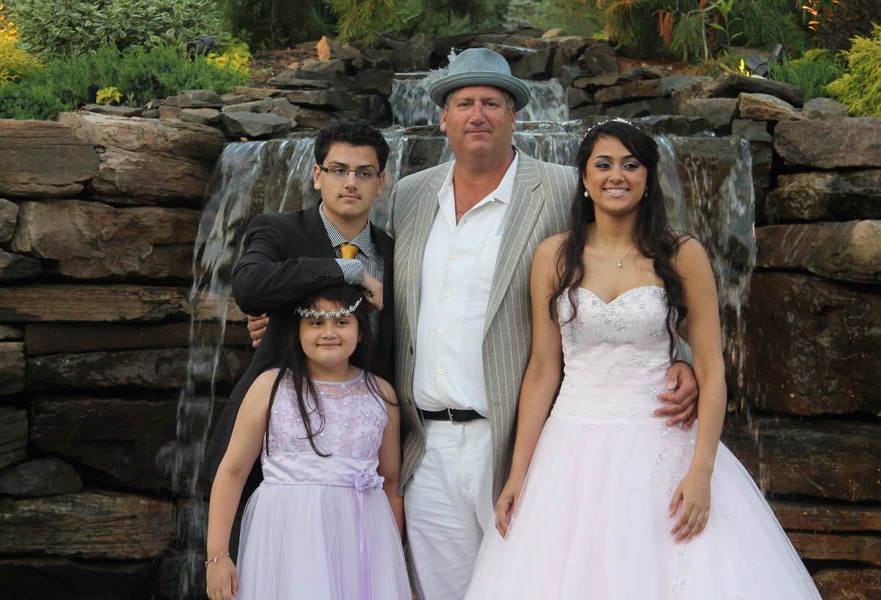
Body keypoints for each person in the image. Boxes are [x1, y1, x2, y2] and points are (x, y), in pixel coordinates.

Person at [464, 119, 822, 599]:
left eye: (632, 165)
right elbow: (543, 369)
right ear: (585, 179)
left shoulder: (682, 254)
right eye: (604, 164)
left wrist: (701, 473)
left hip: (661, 444)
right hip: (570, 446)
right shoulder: (553, 256)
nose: (618, 175)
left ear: (649, 177)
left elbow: (713, 368)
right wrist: (519, 473)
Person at [388, 49, 699, 599]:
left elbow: (644, 262)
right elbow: (367, 274)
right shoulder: (411, 195)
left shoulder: (562, 187)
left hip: (521, 440)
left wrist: (680, 359)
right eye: (464, 103)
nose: (477, 114)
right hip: (428, 446)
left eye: (492, 102)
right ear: (442, 116)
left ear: (514, 116)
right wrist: (285, 308)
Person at [202, 118, 395, 557]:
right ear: (316, 175)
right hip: (274, 457)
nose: (351, 182)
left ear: (380, 182)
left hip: (360, 460)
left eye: (364, 173)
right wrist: (348, 270)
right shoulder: (277, 230)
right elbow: (249, 287)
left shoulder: (395, 251)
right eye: (338, 170)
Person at [205, 284, 411, 600]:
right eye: (316, 322)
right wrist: (217, 555)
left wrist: (392, 568)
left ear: (360, 330)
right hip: (288, 541)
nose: (329, 332)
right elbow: (232, 471)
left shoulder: (381, 394)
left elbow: (391, 483)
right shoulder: (270, 387)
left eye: (342, 321)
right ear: (297, 329)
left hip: (360, 542)